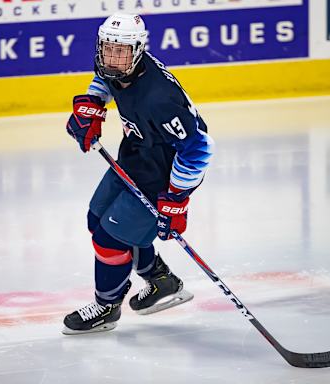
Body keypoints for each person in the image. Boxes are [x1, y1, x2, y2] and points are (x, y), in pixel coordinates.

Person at [62, 13, 214, 334]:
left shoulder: (160, 99)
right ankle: (161, 280)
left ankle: (106, 307)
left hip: (163, 174)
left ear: (139, 50)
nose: (112, 58)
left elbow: (199, 148)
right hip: (134, 156)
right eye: (107, 48)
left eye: (121, 51)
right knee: (97, 220)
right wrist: (91, 105)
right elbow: (105, 80)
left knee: (109, 239)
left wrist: (175, 200)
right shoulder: (122, 63)